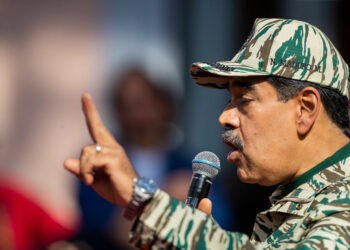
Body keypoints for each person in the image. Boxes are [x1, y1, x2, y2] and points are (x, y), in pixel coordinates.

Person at [64, 18, 350, 249]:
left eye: (245, 100)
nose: (225, 116)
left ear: (305, 109)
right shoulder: (301, 198)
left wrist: (146, 199)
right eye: (229, 100)